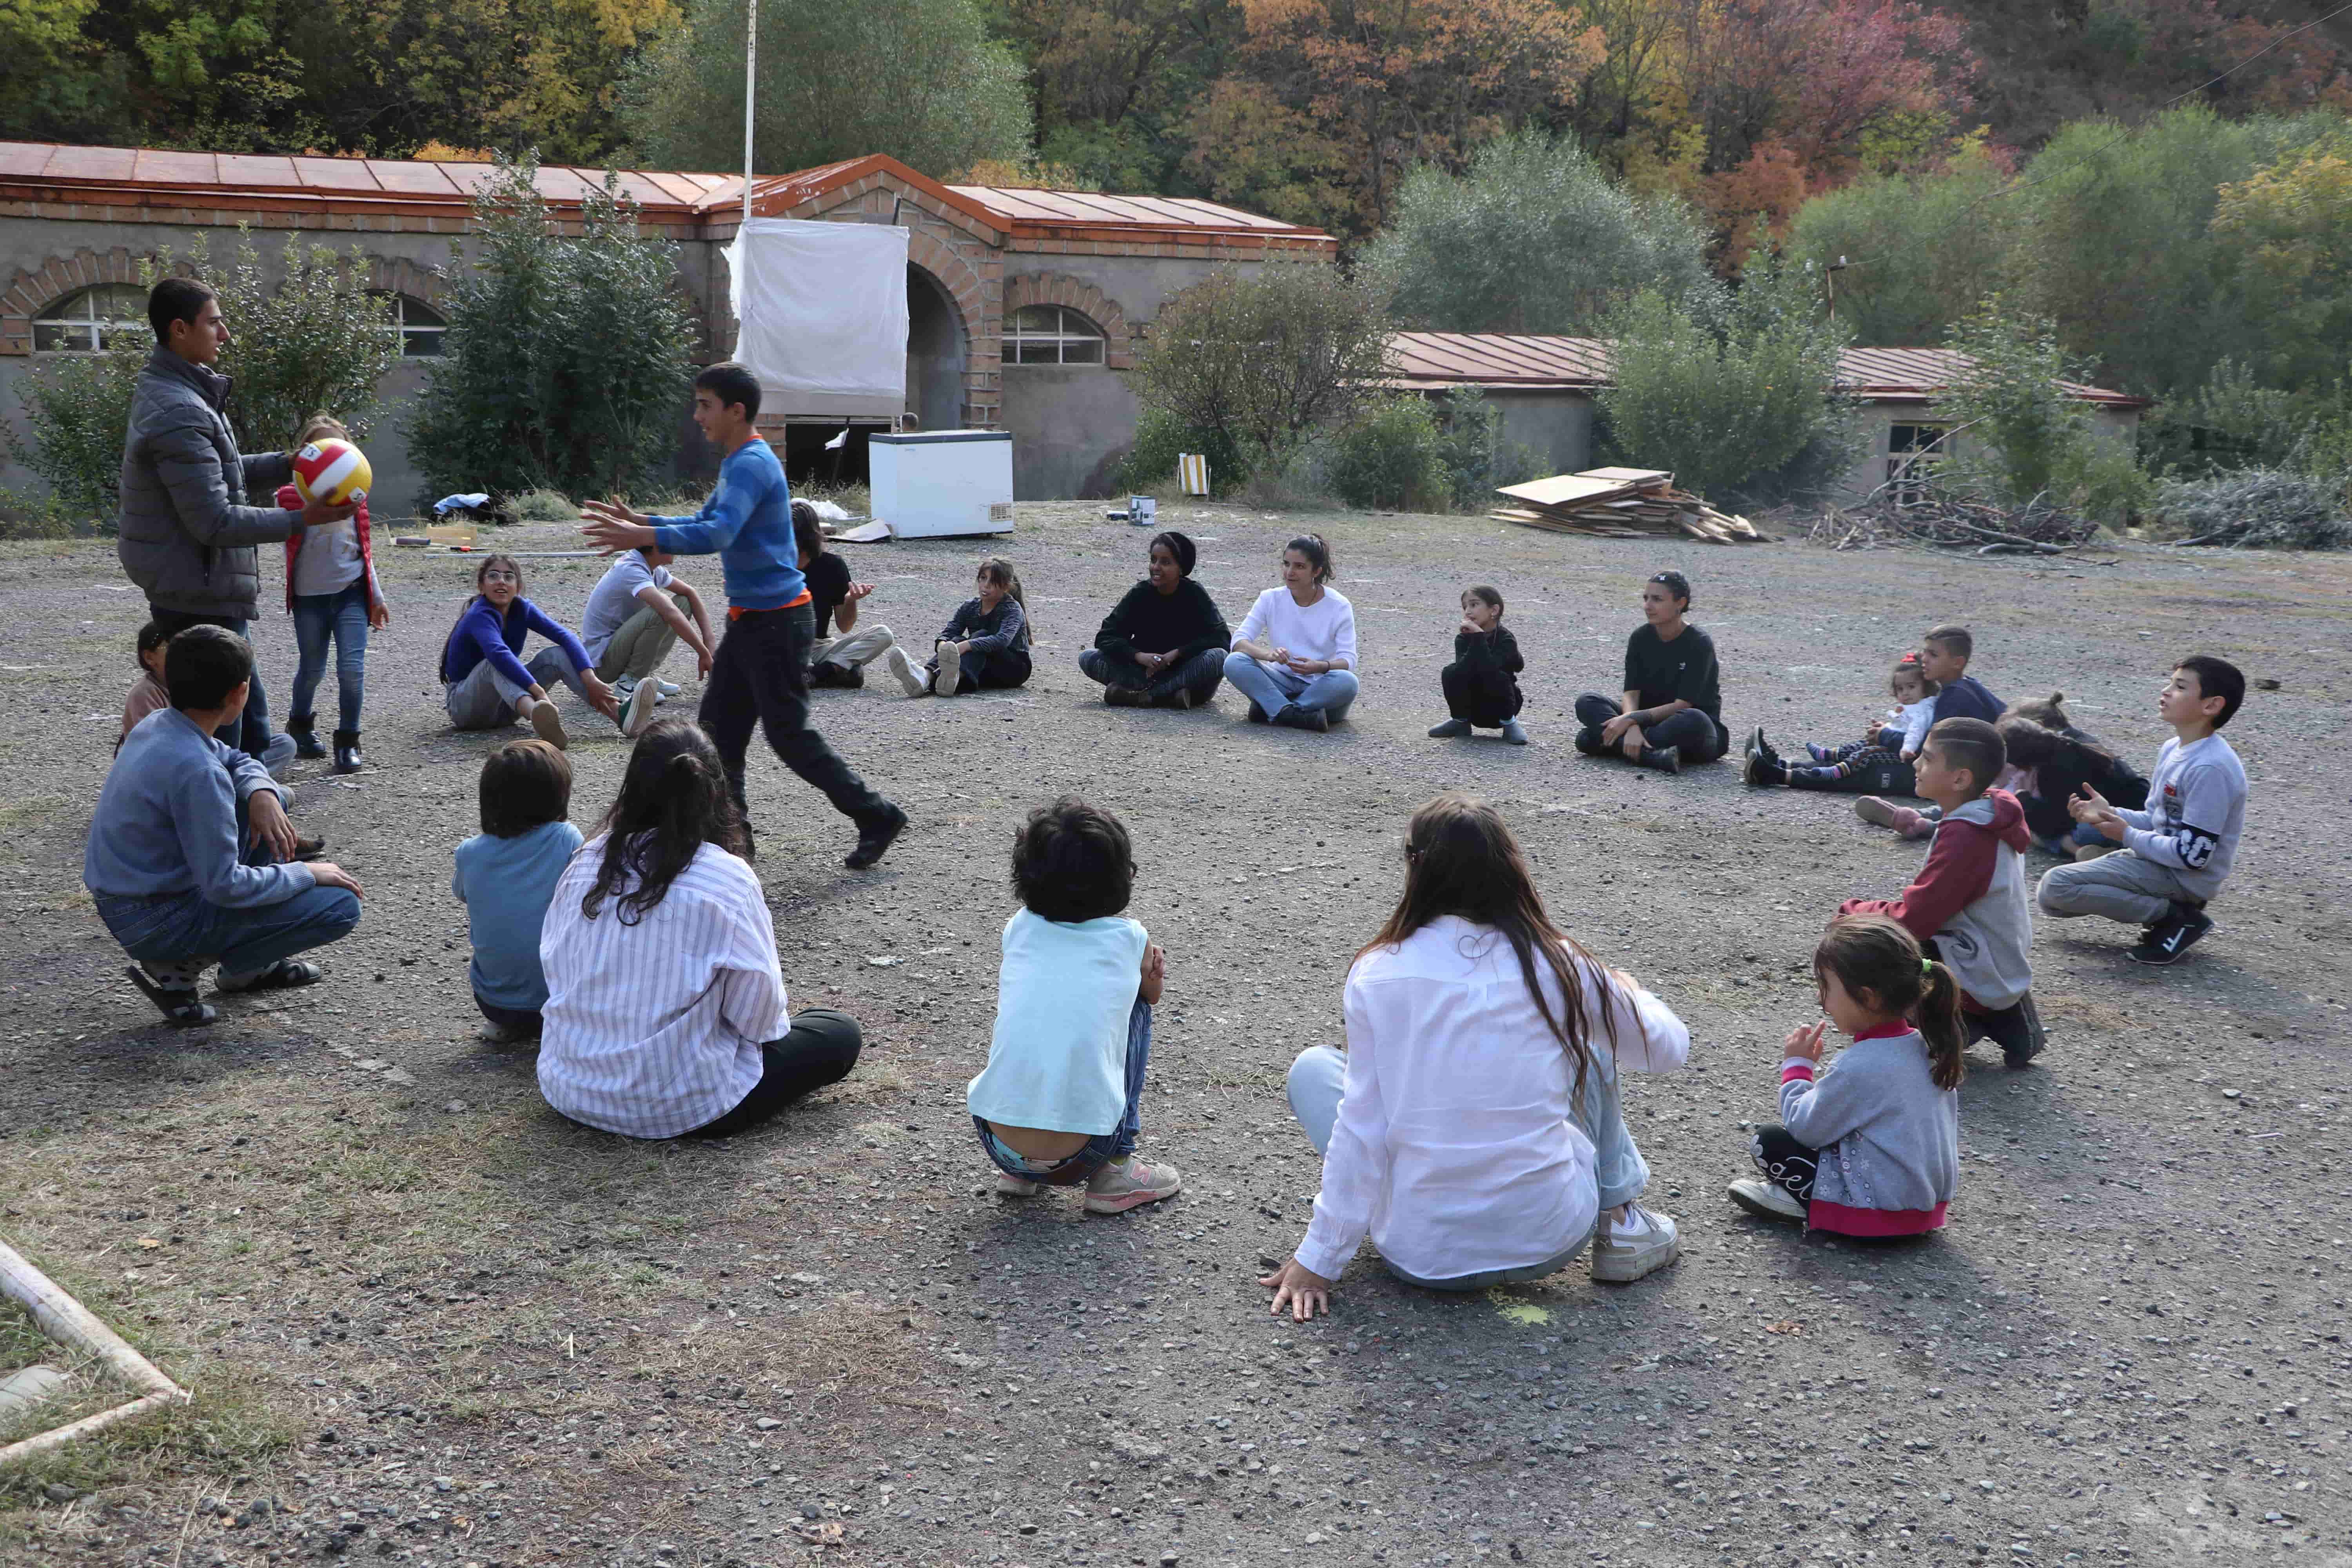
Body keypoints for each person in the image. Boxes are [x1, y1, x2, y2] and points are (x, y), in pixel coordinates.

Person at [1260, 795, 1691, 1319]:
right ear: (1512, 867)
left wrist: (1320, 1258)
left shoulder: (1378, 971)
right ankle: (1621, 1223)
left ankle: (1421, 1199)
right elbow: (1668, 1050)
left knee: (1317, 1068)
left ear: (1416, 868)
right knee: (1591, 1043)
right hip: (1549, 1237)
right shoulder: (1561, 963)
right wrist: (1628, 991)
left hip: (1420, 1255)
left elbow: (1361, 1126)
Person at [580, 363, 907, 870]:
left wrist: (645, 537)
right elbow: (704, 520)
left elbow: (719, 534)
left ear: (737, 411)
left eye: (705, 405)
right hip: (754, 621)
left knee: (787, 737)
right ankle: (735, 848)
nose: (697, 416)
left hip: (778, 623)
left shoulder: (752, 464)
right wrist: (643, 523)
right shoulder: (739, 460)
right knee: (717, 736)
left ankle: (876, 814)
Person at [535, 720, 864, 1138]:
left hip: (571, 1087)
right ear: (714, 793)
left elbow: (556, 968)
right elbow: (760, 1022)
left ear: (632, 788)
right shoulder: (727, 879)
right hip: (682, 1105)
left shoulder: (585, 861)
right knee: (837, 1032)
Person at [118, 278, 353, 775]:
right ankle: (227, 839)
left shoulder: (182, 391)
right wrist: (302, 519)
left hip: (200, 585)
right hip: (195, 589)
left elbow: (220, 471)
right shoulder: (179, 410)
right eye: (214, 322)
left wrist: (293, 462)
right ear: (180, 330)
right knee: (226, 732)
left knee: (252, 724)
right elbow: (213, 519)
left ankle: (258, 825)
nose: (224, 334)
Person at [84, 626, 365, 1027]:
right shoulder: (199, 773)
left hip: (126, 899)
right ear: (240, 692)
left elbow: (235, 759)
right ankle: (184, 964)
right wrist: (305, 872)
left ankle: (244, 966)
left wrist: (260, 793)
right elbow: (225, 885)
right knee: (340, 907)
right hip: (156, 918)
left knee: (274, 798)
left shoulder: (161, 723)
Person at [967, 798, 1184, 1213]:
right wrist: (1152, 971)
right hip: (1084, 1152)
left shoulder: (1019, 927)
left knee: (1042, 1011)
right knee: (1136, 1009)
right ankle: (1116, 1169)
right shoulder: (1130, 937)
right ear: (1122, 878)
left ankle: (1020, 1174)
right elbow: (1152, 996)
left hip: (997, 1140)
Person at [1726, 914, 1962, 1237]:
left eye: (1826, 987)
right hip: (1925, 1209)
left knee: (1767, 1141)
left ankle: (1809, 1202)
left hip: (1876, 1211)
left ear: (1869, 997)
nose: (1822, 1000)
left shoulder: (1861, 1065)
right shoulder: (1930, 1047)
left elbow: (1806, 1129)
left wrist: (1797, 1068)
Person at [1836, 718, 2043, 1067]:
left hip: (1977, 967)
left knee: (1869, 940)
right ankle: (2006, 1015)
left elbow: (1916, 922)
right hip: (1999, 962)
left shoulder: (1968, 836)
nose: (1916, 763)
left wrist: (1855, 911)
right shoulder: (1989, 812)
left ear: (1960, 779)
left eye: (1928, 759)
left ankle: (1946, 1028)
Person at [2036, 655, 2247, 965]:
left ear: (2211, 706)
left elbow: (2194, 856)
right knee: (2052, 900)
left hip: (2186, 877)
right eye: (2170, 683)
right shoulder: (2172, 749)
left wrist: (2127, 835)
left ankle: (2176, 917)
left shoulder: (2211, 768)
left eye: (2179, 687)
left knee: (2057, 887)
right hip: (2159, 861)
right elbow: (2156, 820)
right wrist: (2109, 814)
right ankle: (2168, 910)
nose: (2165, 691)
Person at [274, 415, 388, 775]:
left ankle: (348, 741)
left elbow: (364, 550)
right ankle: (301, 726)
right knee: (311, 670)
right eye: (319, 448)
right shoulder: (288, 498)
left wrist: (377, 596)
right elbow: (279, 540)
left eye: (337, 448)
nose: (329, 456)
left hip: (351, 593)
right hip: (310, 599)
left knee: (352, 671)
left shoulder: (357, 497)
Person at [452, 739, 583, 1044]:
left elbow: (463, 893)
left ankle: (506, 1025)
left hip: (494, 1003)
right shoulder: (566, 838)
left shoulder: (469, 852)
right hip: (559, 1001)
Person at [439, 554, 626, 749]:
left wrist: (591, 679)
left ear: (518, 587)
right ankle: (539, 717)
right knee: (492, 664)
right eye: (493, 576)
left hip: (505, 709)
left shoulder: (522, 608)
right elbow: (499, 654)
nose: (501, 581)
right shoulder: (479, 615)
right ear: (482, 586)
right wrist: (539, 694)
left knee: (556, 656)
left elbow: (566, 636)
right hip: (465, 709)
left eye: (509, 577)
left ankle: (619, 714)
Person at [1573, 570, 1726, 773]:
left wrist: (1630, 721)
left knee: (1693, 719)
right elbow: (1631, 693)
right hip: (1647, 722)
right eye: (1646, 598)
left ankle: (1613, 743)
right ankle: (1654, 756)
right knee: (1587, 701)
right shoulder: (1640, 638)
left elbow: (1682, 705)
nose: (1648, 606)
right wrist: (1632, 723)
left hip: (1692, 730)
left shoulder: (1699, 643)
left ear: (1680, 603)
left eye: (1657, 599)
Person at [1079, 530, 1230, 710]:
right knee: (1088, 657)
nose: (1156, 567)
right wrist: (1138, 656)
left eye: (1166, 562)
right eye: (1153, 560)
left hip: (1183, 673)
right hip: (1143, 672)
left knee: (1219, 658)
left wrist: (1178, 653)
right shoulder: (1140, 594)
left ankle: (1137, 696)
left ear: (1181, 568)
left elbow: (1222, 638)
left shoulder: (1195, 594)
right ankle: (1166, 698)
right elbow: (1105, 637)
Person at [1223, 534, 1359, 732]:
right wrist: (1268, 655)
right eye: (1286, 564)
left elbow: (1349, 660)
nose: (1290, 572)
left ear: (1317, 571)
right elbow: (1238, 641)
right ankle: (1294, 714)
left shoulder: (1339, 606)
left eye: (1300, 567)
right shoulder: (1270, 598)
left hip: (1320, 689)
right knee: (1234, 662)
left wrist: (1319, 666)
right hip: (1280, 682)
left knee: (1348, 682)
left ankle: (1274, 709)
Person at [1756, 655, 1938, 797]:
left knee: (1867, 756)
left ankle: (1782, 773)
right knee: (1862, 746)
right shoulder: (1918, 705)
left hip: (1906, 757)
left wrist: (1890, 738)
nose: (1905, 693)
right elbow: (1903, 726)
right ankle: (1786, 764)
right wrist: (1885, 729)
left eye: (1911, 687)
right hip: (1901, 750)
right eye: (1900, 689)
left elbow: (1915, 733)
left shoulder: (1922, 710)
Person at [793, 498, 923, 696]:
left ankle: (820, 674)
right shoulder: (775, 566)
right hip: (786, 645)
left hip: (819, 647)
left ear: (806, 537)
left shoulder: (832, 566)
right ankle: (839, 671)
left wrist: (851, 601)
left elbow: (845, 627)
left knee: (883, 634)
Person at [575, 529, 715, 713]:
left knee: (684, 602)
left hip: (618, 649)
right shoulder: (631, 569)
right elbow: (669, 613)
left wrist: (709, 642)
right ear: (655, 546)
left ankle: (644, 675)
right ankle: (629, 683)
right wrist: (703, 654)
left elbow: (690, 592)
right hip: (602, 663)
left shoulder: (652, 568)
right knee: (662, 611)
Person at [1993, 713, 2149, 858]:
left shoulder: (2050, 774)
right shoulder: (2074, 740)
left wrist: (2024, 802)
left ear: (2021, 764)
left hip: (2108, 825)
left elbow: (2056, 824)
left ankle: (2075, 849)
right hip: (2145, 808)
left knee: (2029, 827)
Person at [1428, 584, 1526, 745]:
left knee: (1498, 677)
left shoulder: (1505, 639)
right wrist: (1476, 638)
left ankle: (1510, 725)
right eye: (1465, 607)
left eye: (1474, 605)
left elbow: (1490, 670)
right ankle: (1460, 722)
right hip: (1472, 708)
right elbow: (1462, 670)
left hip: (1501, 710)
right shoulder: (1463, 638)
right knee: (1450, 672)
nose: (1468, 611)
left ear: (1494, 611)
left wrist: (1479, 637)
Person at [923, 557, 1034, 696]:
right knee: (956, 640)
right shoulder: (970, 606)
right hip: (983, 665)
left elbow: (1002, 640)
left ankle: (954, 677)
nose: (986, 585)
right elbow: (950, 631)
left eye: (993, 582)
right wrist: (943, 646)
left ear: (1006, 587)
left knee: (980, 637)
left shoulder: (1011, 609)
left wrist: (964, 646)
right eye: (983, 578)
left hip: (1014, 670)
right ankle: (924, 679)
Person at [1915, 624, 2004, 723]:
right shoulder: (1969, 684)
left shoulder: (1953, 699)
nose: (1924, 659)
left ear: (1957, 663)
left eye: (1934, 655)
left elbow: (1932, 738)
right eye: (1924, 652)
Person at [119, 619, 174, 748]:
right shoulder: (145, 694)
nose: (184, 656)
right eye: (173, 648)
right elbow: (156, 746)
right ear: (150, 658)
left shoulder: (189, 686)